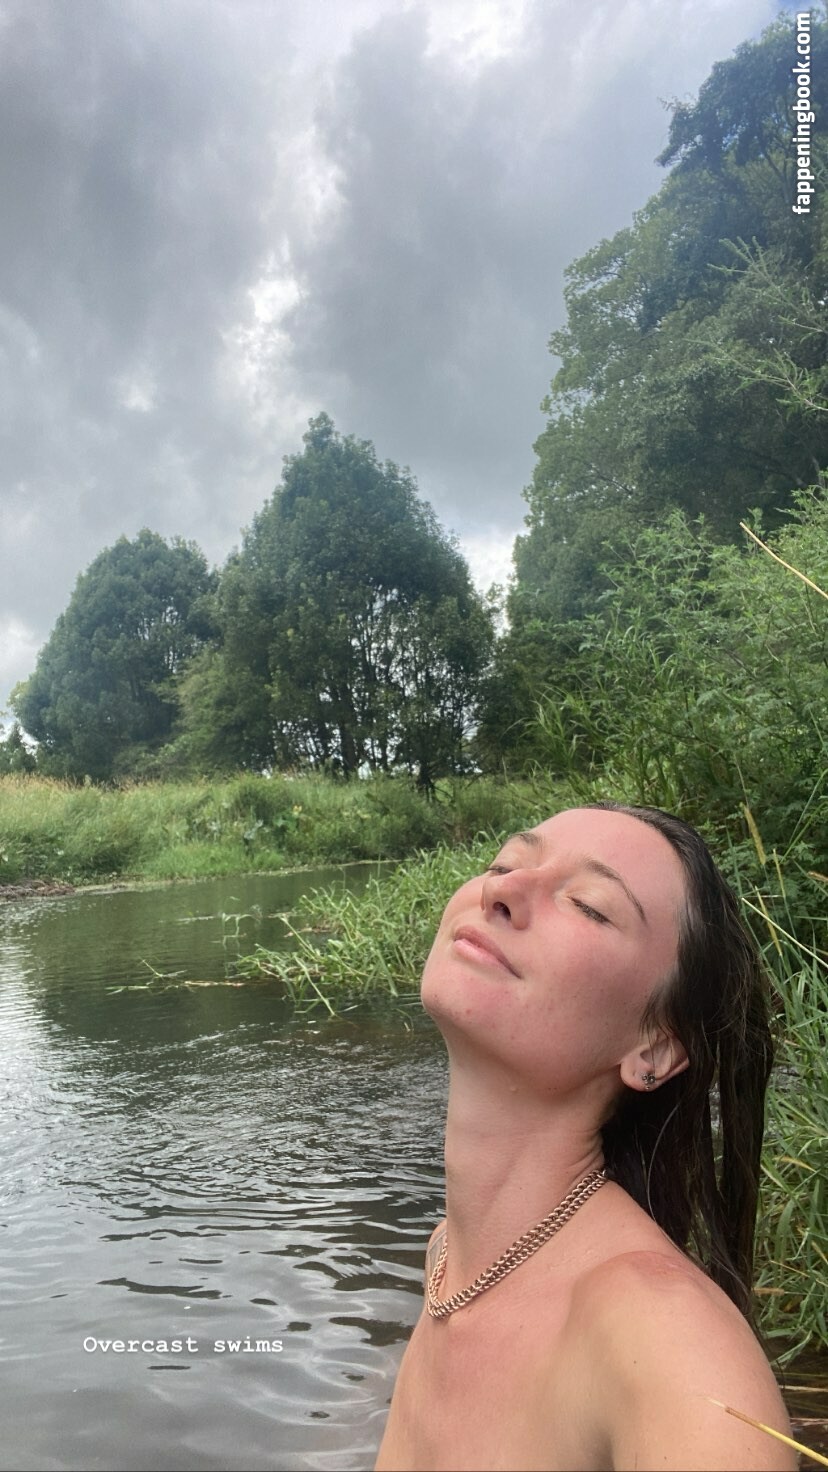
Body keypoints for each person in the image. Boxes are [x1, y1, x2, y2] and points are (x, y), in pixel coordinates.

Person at [375, 802, 797, 1471]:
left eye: (589, 906)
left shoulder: (669, 1344)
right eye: (504, 864)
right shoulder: (449, 1258)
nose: (503, 891)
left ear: (655, 1048)